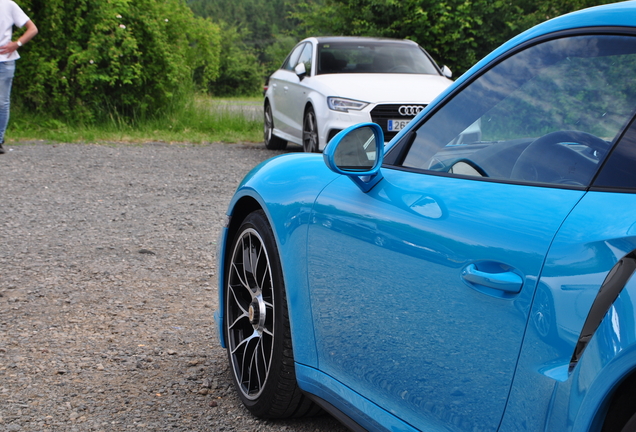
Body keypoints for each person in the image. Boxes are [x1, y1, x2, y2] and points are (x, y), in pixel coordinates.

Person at [0, 0, 37, 154]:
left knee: (2, 102)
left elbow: (32, 29)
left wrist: (17, 43)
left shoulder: (8, 4)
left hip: (4, 61)